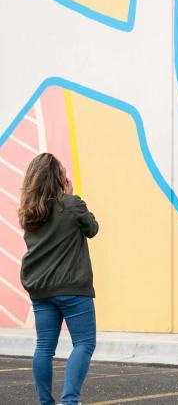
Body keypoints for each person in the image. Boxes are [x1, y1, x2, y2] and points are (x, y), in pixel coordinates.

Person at [18, 153, 99, 405]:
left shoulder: (29, 213)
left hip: (40, 288)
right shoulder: (71, 204)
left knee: (44, 348)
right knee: (84, 343)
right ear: (59, 179)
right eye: (63, 173)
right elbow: (92, 228)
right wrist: (72, 196)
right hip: (72, 287)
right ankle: (69, 401)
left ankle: (46, 402)